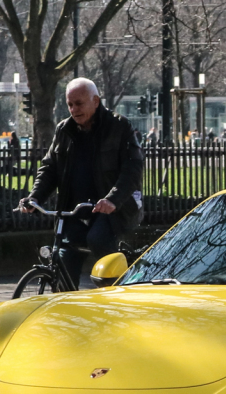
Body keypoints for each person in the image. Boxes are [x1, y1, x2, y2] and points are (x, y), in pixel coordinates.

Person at [21, 77, 144, 286]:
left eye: (79, 103)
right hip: (76, 209)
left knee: (97, 239)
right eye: (70, 104)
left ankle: (116, 290)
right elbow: (50, 168)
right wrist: (35, 198)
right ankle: (66, 302)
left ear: (95, 101)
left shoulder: (119, 126)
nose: (73, 109)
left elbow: (132, 169)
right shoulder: (64, 130)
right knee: (63, 253)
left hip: (112, 210)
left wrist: (112, 200)